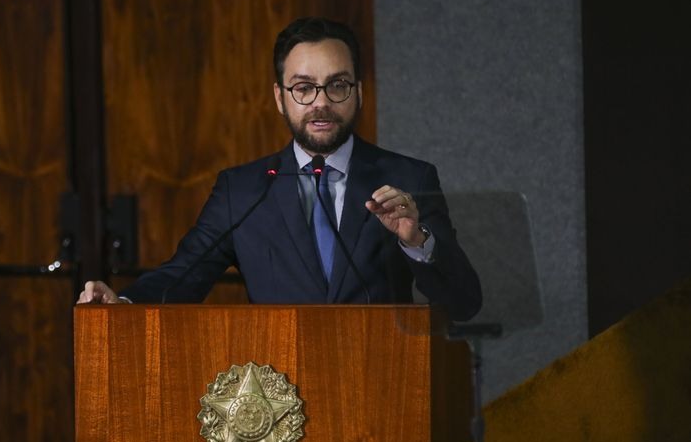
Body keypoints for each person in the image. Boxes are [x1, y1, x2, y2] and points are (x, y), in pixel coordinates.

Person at [78, 17, 481, 321]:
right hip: (277, 405)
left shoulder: (410, 180)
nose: (320, 102)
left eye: (337, 85)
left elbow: (463, 304)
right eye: (303, 88)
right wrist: (124, 303)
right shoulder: (243, 191)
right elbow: (184, 275)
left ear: (358, 92)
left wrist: (417, 241)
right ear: (279, 97)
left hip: (382, 392)